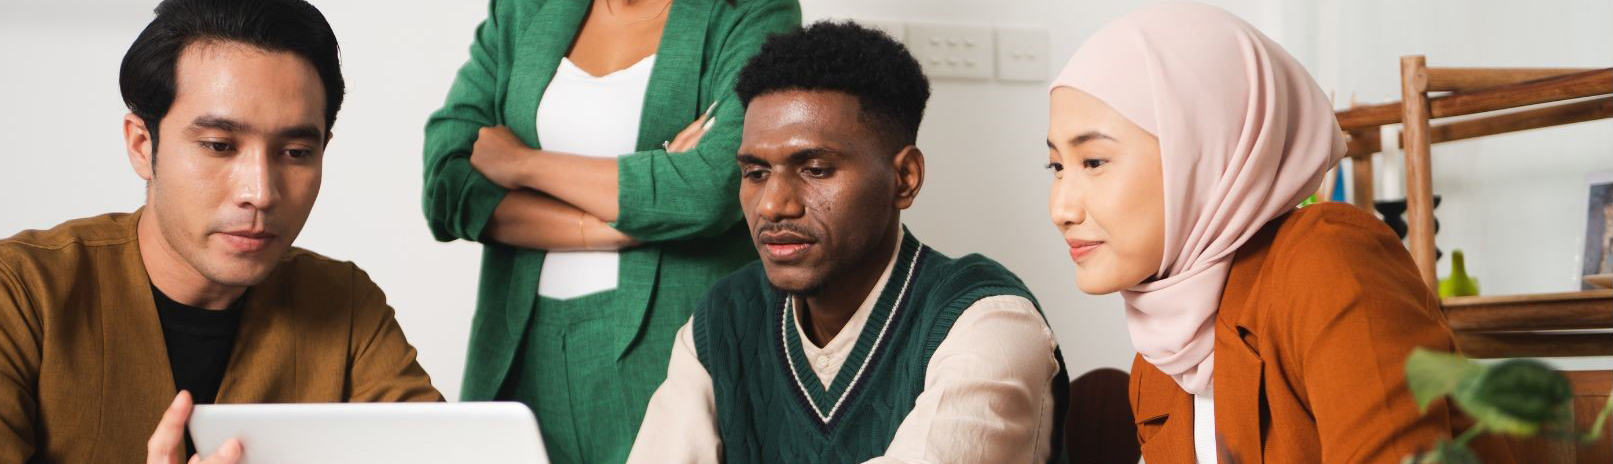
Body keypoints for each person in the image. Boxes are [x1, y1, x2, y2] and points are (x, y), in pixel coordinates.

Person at [1043, 3, 1514, 463]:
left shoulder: (1327, 262)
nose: (1060, 209)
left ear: (1203, 152)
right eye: (1057, 166)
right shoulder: (1163, 358)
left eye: (1094, 162)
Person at [0, 1, 442, 463]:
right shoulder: (17, 293)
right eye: (219, 146)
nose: (260, 193)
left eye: (295, 152)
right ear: (142, 145)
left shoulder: (344, 305)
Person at [626, 21, 1070, 464]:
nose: (773, 205)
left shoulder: (987, 320)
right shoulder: (724, 318)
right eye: (755, 173)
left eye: (815, 169)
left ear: (905, 178)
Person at [421, 1, 799, 461]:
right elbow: (448, 185)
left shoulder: (753, 12)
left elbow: (716, 185)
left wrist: (521, 164)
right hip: (522, 355)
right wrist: (620, 228)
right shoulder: (523, 9)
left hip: (672, 349)